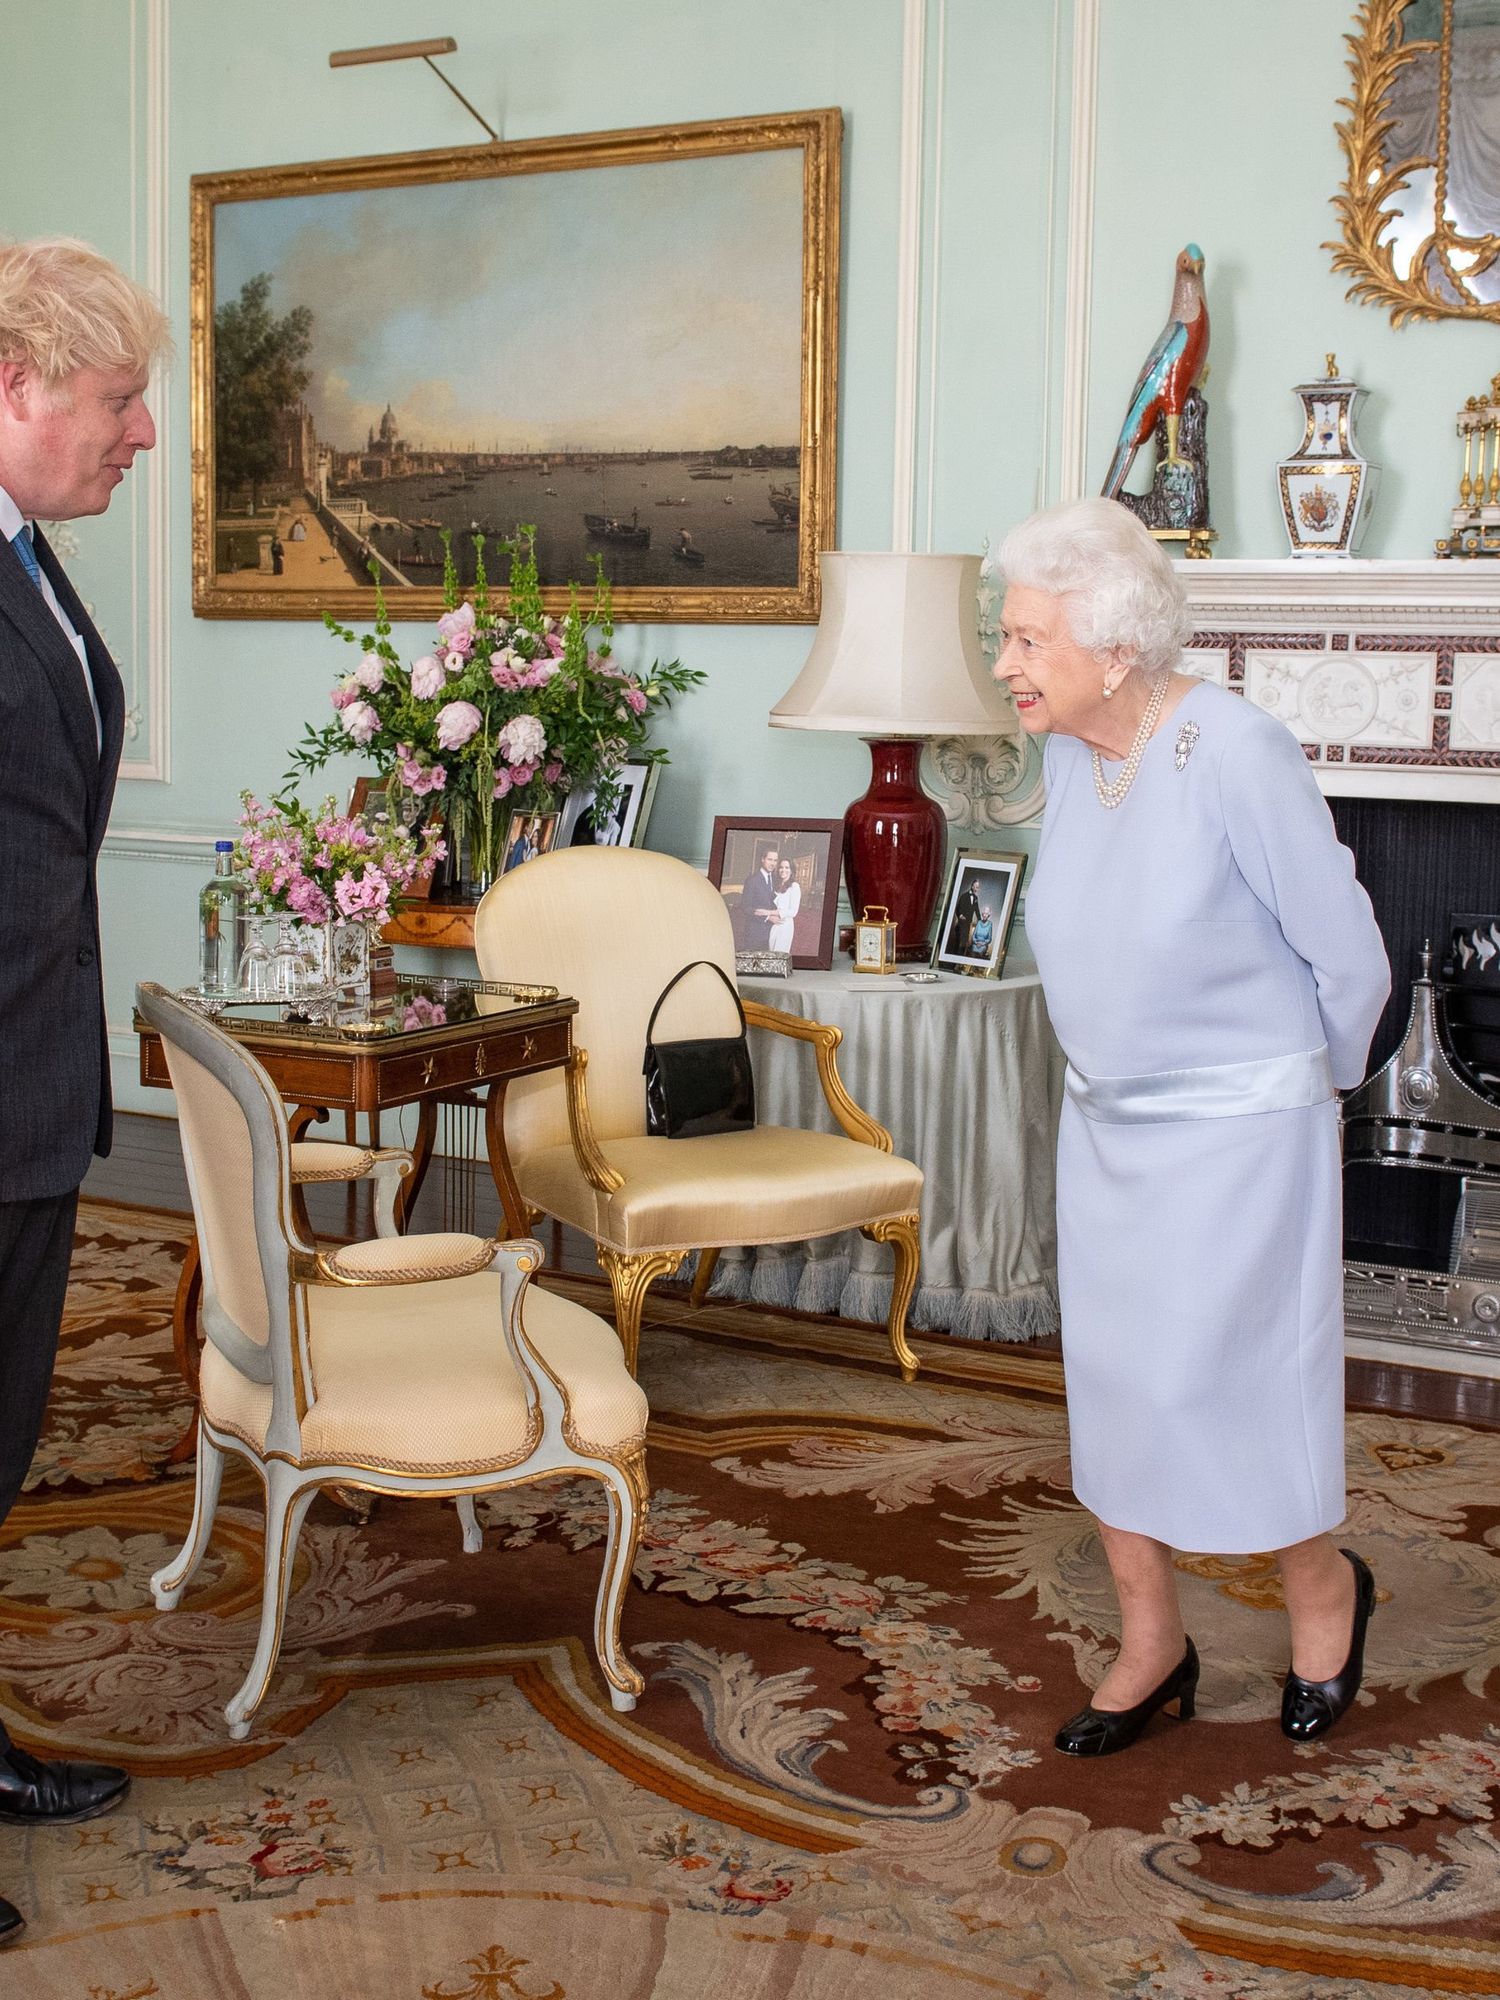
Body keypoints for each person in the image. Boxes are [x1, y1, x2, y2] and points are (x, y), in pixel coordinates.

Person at [998, 497, 1389, 1758]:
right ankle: (1153, 1638)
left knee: (1242, 1386)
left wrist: (1302, 1093)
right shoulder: (1069, 749)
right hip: (1111, 1126)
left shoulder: (1234, 748)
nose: (1005, 665)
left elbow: (1352, 957)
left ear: (1112, 648)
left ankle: (1323, 1591)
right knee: (1120, 1389)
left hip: (1242, 1139)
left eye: (1025, 641)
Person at [0, 236, 171, 1945]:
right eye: (119, 402)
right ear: (15, 383)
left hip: (26, 1098)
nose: (138, 436)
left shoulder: (27, 555)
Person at [736, 842, 779, 950]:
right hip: (754, 932)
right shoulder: (752, 880)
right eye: (770, 859)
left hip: (772, 930)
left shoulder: (776, 879)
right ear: (763, 859)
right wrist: (768, 917)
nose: (773, 863)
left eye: (775, 860)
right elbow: (746, 907)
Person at [768, 855, 801, 953]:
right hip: (773, 924)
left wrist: (774, 912)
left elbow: (793, 911)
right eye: (781, 867)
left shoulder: (794, 886)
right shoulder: (776, 885)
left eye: (787, 868)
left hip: (785, 924)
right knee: (771, 951)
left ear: (791, 870)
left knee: (779, 954)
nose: (783, 870)